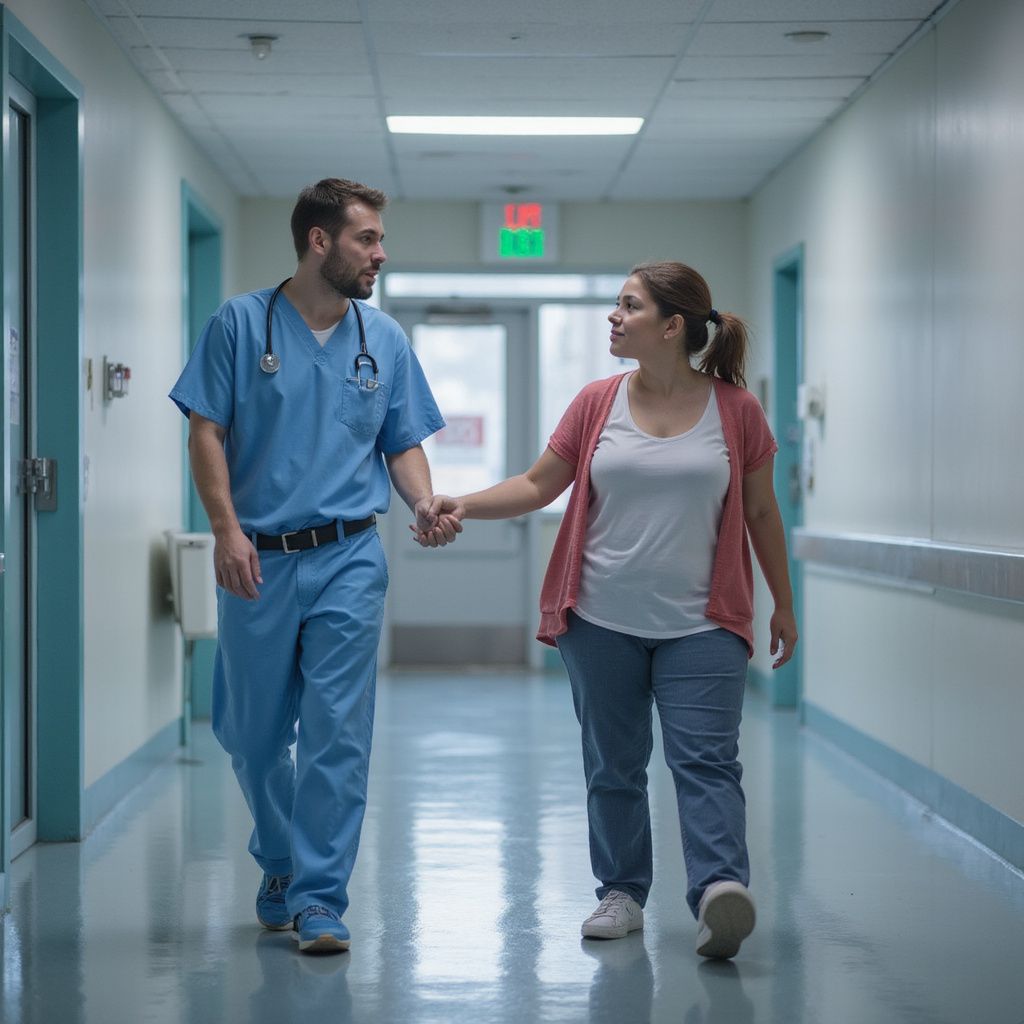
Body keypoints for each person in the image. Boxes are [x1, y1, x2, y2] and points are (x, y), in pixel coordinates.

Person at [416, 261, 797, 959]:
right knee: (614, 765)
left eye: (629, 306)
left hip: (705, 624)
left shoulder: (736, 412)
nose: (614, 318)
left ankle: (719, 891)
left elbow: (763, 511)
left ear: (673, 326)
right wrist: (459, 502)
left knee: (707, 761)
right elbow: (537, 485)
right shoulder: (597, 402)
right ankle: (620, 891)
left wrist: (783, 604)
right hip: (600, 620)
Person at [169, 178, 458, 955]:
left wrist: (423, 503)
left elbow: (401, 442)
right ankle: (283, 859)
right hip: (257, 558)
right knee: (252, 735)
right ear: (319, 241)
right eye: (367, 238)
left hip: (350, 555)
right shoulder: (240, 323)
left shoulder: (383, 339)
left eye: (379, 239)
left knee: (337, 733)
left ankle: (321, 898)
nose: (380, 253)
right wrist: (224, 530)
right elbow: (205, 433)